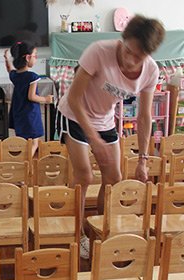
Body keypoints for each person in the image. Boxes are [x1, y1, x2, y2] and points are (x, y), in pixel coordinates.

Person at [57, 15, 165, 259]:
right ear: (122, 41)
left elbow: (145, 117)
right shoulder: (98, 52)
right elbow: (74, 98)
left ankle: (100, 229)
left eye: (138, 56)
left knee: (114, 178)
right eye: (128, 51)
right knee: (84, 174)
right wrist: (94, 139)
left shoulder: (150, 71)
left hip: (105, 119)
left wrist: (143, 160)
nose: (130, 60)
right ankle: (78, 233)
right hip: (74, 114)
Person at [4, 41, 54, 157]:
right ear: (27, 57)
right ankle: (25, 164)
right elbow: (31, 97)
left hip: (18, 115)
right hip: (30, 116)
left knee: (25, 142)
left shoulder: (15, 75)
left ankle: (25, 164)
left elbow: (9, 69)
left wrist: (7, 59)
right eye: (35, 56)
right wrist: (46, 99)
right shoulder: (32, 76)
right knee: (34, 143)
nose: (36, 59)